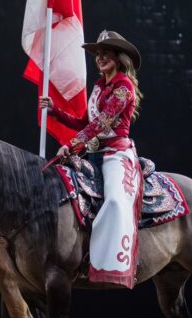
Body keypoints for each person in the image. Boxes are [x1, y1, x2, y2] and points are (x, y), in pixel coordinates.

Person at [39, 30, 144, 288]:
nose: (100, 57)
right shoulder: (98, 87)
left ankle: (117, 262)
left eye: (106, 52)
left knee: (116, 201)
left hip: (116, 154)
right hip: (93, 153)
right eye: (97, 53)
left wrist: (72, 145)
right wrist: (55, 112)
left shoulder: (124, 87)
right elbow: (85, 122)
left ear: (119, 57)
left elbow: (103, 123)